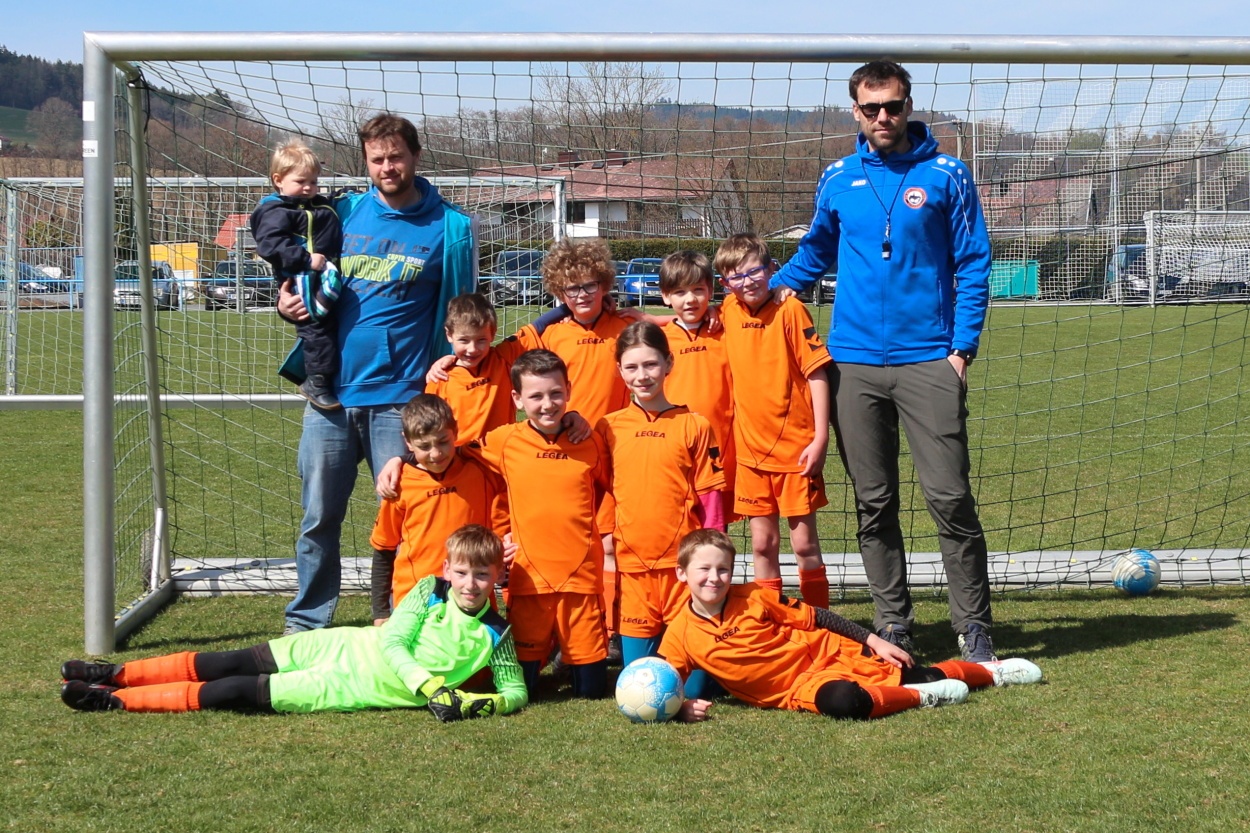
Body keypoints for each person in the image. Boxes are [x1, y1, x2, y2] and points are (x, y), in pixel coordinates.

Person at [770, 59, 996, 661]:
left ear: (908, 105)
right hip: (852, 365)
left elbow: (974, 262)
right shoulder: (838, 177)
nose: (883, 117)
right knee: (874, 502)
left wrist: (961, 350)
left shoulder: (947, 173)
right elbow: (814, 252)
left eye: (893, 106)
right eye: (871, 108)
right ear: (856, 111)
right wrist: (760, 294)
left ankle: (974, 627)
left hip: (930, 361)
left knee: (950, 498)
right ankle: (893, 623)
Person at [276, 113, 477, 634]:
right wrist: (286, 300)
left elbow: (463, 313)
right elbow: (297, 266)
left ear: (416, 156)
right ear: (366, 162)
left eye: (396, 157)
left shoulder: (451, 228)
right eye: (377, 159)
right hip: (331, 398)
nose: (387, 167)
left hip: (402, 402)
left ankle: (415, 621)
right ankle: (306, 625)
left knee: (414, 517)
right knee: (318, 519)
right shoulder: (340, 212)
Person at [60, 525, 526, 721]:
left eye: (482, 575)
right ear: (447, 570)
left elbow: (515, 692)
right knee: (228, 661)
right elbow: (394, 643)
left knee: (235, 690)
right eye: (462, 572)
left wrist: (474, 705)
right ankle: (114, 674)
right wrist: (431, 688)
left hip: (345, 688)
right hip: (338, 646)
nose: (470, 584)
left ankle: (113, 702)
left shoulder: (497, 633)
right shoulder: (429, 590)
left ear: (497, 577)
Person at [660, 530, 1041, 723]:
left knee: (918, 672)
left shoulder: (755, 596)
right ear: (682, 573)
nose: (714, 578)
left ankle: (992, 672)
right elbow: (662, 684)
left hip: (829, 655)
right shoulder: (680, 633)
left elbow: (819, 617)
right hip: (798, 689)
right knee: (844, 703)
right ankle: (923, 698)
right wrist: (681, 709)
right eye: (704, 569)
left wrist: (876, 641)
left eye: (723, 569)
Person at [468, 349, 611, 699]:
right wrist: (401, 460)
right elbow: (450, 451)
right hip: (529, 580)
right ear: (517, 399)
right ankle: (547, 657)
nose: (548, 404)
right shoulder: (503, 441)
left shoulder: (589, 441)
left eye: (556, 393)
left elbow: (615, 487)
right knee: (524, 688)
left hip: (582, 581)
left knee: (591, 692)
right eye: (536, 396)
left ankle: (569, 659)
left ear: (569, 390)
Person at [595, 321, 724, 667]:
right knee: (640, 676)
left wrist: (710, 558)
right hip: (633, 571)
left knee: (694, 683)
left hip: (683, 569)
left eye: (651, 364)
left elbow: (711, 498)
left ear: (669, 363)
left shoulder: (695, 425)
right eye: (632, 367)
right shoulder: (608, 427)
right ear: (619, 369)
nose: (642, 376)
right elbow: (601, 491)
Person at [715, 233, 832, 608]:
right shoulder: (727, 311)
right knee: (763, 545)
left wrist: (820, 438)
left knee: (804, 544)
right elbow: (682, 316)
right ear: (725, 283)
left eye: (755, 271)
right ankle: (772, 622)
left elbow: (817, 374)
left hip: (796, 453)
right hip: (751, 456)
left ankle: (820, 622)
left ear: (771, 269)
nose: (747, 281)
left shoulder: (790, 310)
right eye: (737, 276)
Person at [369, 394, 508, 624]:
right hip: (416, 599)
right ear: (408, 442)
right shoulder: (399, 483)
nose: (436, 453)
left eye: (443, 441)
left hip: (473, 596)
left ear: (456, 431)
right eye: (424, 446)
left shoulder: (481, 469)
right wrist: (381, 612)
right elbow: (384, 548)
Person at [251, 139, 345, 410]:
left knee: (329, 327)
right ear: (278, 180)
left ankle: (319, 373)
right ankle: (316, 381)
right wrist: (306, 260)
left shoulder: (314, 205)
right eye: (301, 181)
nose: (308, 188)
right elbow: (270, 246)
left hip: (324, 276)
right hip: (302, 280)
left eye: (314, 182)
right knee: (317, 329)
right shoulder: (276, 211)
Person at [658, 250, 736, 531]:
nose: (690, 299)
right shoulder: (659, 340)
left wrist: (718, 310)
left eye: (698, 290)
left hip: (720, 452)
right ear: (666, 296)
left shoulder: (727, 330)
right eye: (679, 292)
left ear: (710, 291)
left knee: (714, 534)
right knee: (674, 528)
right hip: (673, 452)